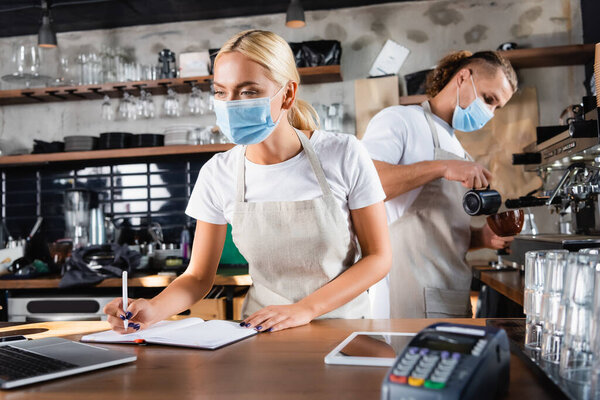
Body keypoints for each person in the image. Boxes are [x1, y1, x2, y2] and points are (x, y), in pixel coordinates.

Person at [103, 30, 391, 333]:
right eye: (220, 92)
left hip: (343, 330)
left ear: (288, 94)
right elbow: (199, 276)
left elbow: (378, 257)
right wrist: (152, 308)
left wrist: (305, 309)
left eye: (248, 92)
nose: (230, 104)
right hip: (261, 331)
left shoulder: (344, 153)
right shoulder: (218, 173)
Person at [361, 50, 518, 319]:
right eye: (488, 99)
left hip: (453, 294)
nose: (489, 113)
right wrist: (442, 167)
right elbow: (366, 187)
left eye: (496, 108)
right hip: (409, 295)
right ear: (463, 77)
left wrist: (481, 238)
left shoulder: (459, 150)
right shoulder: (400, 120)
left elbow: (439, 232)